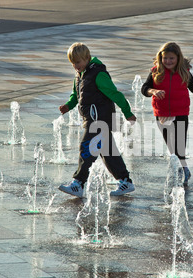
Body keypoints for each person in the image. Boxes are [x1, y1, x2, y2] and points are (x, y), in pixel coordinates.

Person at [58, 42, 136, 198]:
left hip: (100, 119)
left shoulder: (98, 74)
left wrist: (127, 113)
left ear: (87, 58)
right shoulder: (80, 75)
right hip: (91, 118)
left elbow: (116, 94)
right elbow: (76, 95)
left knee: (86, 147)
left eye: (78, 62)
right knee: (108, 152)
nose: (75, 66)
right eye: (72, 63)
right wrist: (68, 105)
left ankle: (78, 183)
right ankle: (125, 181)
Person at [141, 42, 193, 185]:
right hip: (161, 115)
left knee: (179, 146)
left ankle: (184, 171)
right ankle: (182, 169)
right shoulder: (156, 71)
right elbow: (144, 88)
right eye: (165, 58)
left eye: (171, 58)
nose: (168, 61)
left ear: (178, 58)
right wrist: (154, 91)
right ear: (160, 58)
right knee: (171, 147)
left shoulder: (184, 72)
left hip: (181, 113)